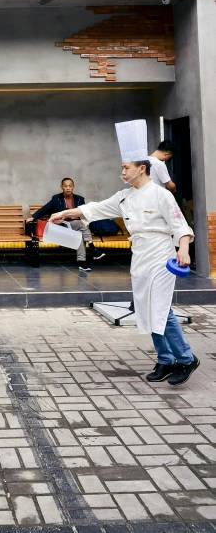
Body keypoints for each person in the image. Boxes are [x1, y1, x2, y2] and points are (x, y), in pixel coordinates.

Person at [48, 119, 199, 387]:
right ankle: (165, 359)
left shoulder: (162, 195)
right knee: (145, 307)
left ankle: (186, 359)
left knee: (161, 308)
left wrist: (184, 250)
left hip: (162, 254)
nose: (122, 171)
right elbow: (93, 209)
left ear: (141, 169)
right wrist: (62, 213)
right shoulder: (124, 196)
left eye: (125, 167)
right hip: (139, 254)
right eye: (121, 167)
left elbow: (180, 226)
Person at [27, 178, 105, 271]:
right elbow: (45, 209)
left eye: (70, 186)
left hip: (78, 226)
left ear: (73, 187)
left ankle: (82, 263)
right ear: (61, 187)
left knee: (80, 235)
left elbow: (84, 214)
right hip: (63, 226)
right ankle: (92, 247)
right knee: (80, 223)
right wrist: (33, 217)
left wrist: (90, 228)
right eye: (65, 186)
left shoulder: (80, 199)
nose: (68, 188)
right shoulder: (56, 199)